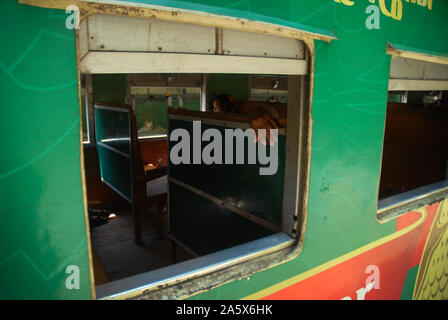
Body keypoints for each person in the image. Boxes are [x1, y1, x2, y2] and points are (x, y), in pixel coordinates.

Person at [211, 94, 281, 146]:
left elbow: (265, 109)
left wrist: (260, 113)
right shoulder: (215, 122)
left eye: (216, 107)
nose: (214, 110)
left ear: (224, 107)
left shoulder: (242, 117)